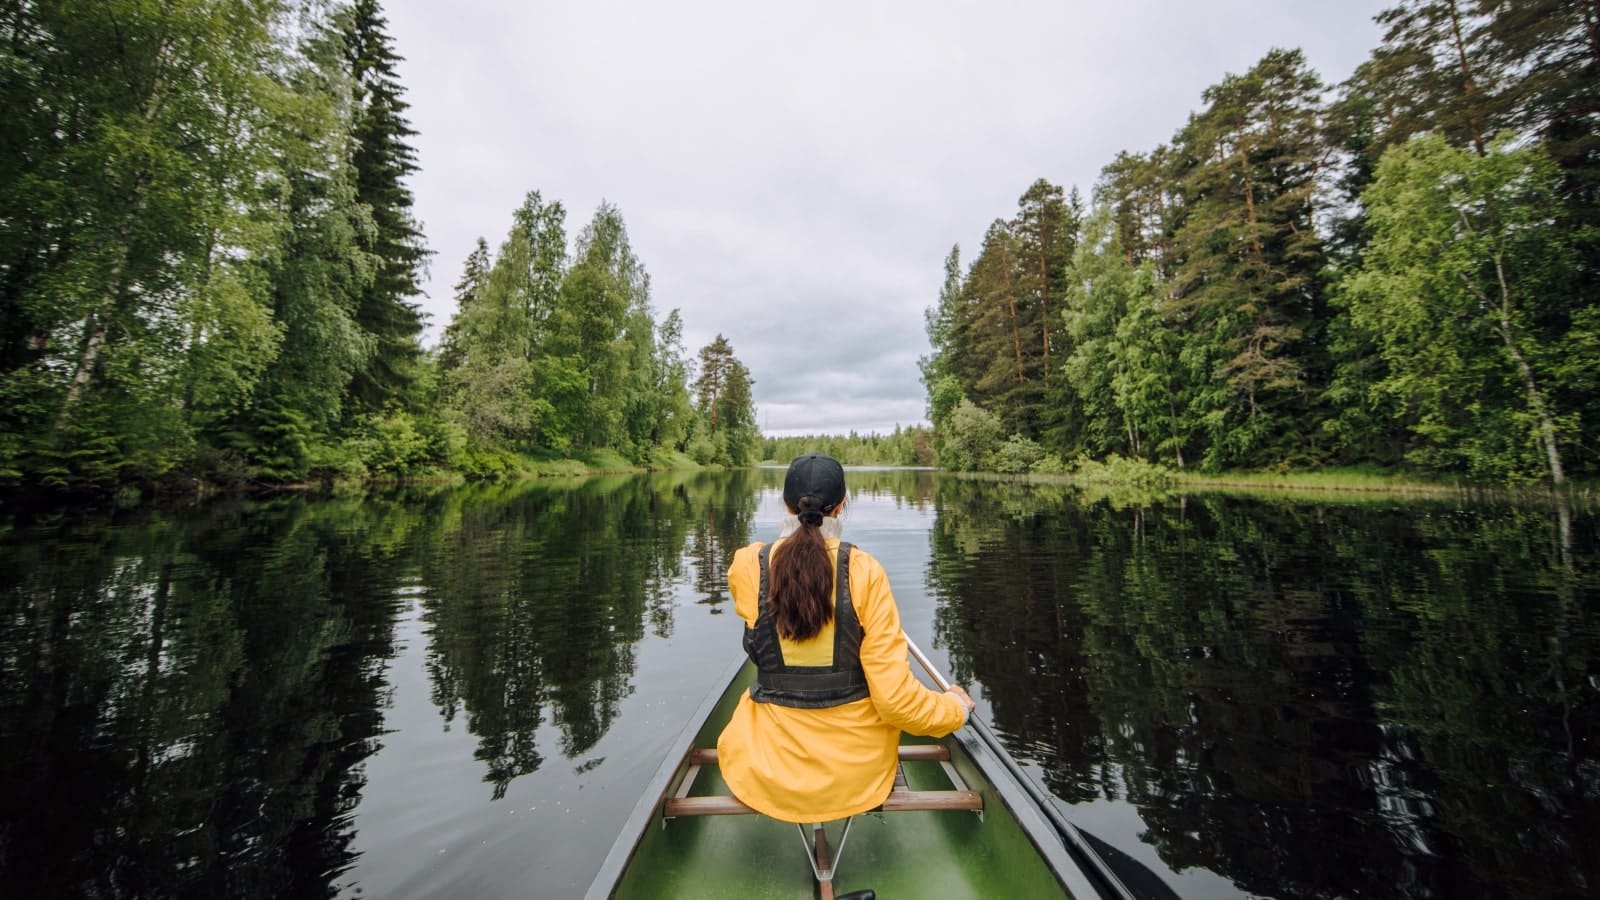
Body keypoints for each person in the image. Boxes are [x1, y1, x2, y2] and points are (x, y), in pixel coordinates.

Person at [716, 452, 976, 823]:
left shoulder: (747, 565)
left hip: (765, 775)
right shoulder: (865, 571)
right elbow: (897, 704)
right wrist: (956, 707)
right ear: (842, 506)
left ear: (787, 505)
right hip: (857, 779)